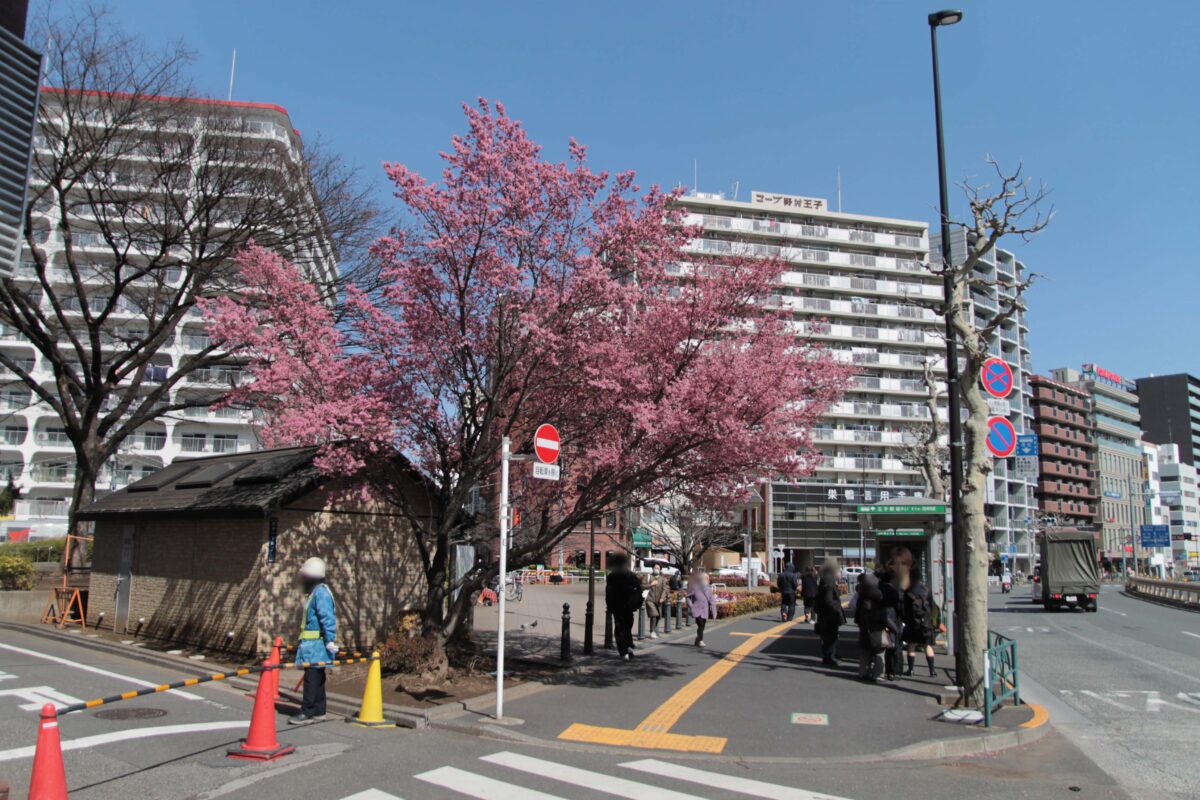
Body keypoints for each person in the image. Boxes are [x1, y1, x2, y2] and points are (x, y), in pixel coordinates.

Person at [290, 556, 338, 725]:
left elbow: (327, 618)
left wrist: (330, 639)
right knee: (317, 678)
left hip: (316, 646)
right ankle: (319, 710)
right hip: (314, 645)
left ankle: (307, 711)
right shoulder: (316, 593)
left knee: (312, 678)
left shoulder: (321, 594)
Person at [604, 553, 643, 660]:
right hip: (629, 607)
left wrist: (610, 606)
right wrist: (637, 604)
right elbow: (639, 590)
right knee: (627, 627)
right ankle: (629, 646)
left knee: (620, 628)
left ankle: (623, 651)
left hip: (618, 606)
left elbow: (609, 592)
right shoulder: (631, 575)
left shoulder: (612, 576)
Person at [902, 574, 937, 677]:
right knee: (928, 645)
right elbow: (931, 605)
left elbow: (905, 608)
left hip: (913, 623)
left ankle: (911, 669)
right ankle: (932, 671)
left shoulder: (908, 591)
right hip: (926, 622)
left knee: (911, 644)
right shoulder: (926, 590)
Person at [853, 572, 886, 682]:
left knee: (864, 651)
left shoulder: (861, 594)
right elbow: (883, 613)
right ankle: (878, 674)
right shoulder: (879, 595)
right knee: (879, 651)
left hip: (864, 625)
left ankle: (863, 673)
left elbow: (857, 611)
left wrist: (858, 621)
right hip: (877, 627)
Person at [814, 560, 845, 666]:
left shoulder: (825, 579)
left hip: (824, 614)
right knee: (831, 636)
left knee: (827, 636)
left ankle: (829, 655)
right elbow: (828, 600)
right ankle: (829, 657)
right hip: (829, 615)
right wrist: (836, 609)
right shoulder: (829, 581)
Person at [876, 568, 903, 681]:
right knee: (894, 645)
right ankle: (894, 671)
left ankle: (885, 670)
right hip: (893, 618)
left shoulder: (878, 589)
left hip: (880, 618)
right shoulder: (894, 591)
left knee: (884, 645)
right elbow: (899, 607)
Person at [686, 568, 717, 647]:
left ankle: (698, 639)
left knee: (702, 626)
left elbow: (712, 601)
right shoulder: (695, 587)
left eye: (706, 578)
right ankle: (700, 640)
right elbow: (688, 597)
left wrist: (714, 613)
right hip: (697, 610)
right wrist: (691, 606)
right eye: (703, 578)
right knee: (700, 625)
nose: (705, 580)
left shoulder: (708, 589)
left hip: (705, 611)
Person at [645, 565, 669, 638]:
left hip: (658, 601)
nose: (656, 569)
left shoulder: (662, 579)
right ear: (652, 568)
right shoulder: (648, 576)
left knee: (658, 616)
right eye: (655, 568)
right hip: (649, 599)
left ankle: (654, 631)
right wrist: (650, 584)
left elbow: (665, 589)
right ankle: (652, 631)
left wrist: (662, 597)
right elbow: (642, 586)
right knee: (654, 614)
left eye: (658, 568)